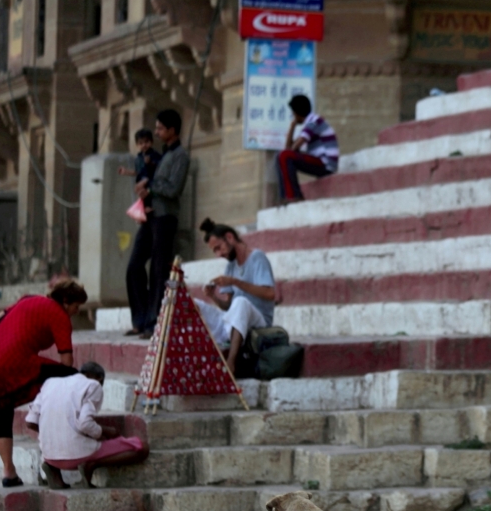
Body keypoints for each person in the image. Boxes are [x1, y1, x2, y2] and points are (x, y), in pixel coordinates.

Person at [0, 279, 87, 486]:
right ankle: (54, 454)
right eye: (76, 306)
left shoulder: (29, 299)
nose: (77, 311)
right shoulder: (60, 316)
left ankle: (9, 472)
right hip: (15, 361)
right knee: (70, 379)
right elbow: (67, 362)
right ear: (65, 300)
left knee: (4, 407)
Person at [26, 361, 148, 489]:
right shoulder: (93, 385)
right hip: (78, 456)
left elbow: (30, 422)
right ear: (100, 378)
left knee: (67, 445)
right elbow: (84, 424)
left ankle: (54, 470)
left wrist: (54, 435)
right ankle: (92, 464)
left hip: (49, 455)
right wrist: (106, 431)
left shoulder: (50, 383)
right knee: (142, 448)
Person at [125, 109, 189, 339]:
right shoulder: (159, 156)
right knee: (134, 267)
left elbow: (174, 189)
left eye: (161, 128)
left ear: (172, 130)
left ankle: (154, 323)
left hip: (165, 218)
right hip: (150, 217)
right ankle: (140, 320)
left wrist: (150, 187)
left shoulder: (180, 156)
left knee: (159, 270)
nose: (157, 132)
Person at [194, 218, 276, 375]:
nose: (219, 254)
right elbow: (229, 307)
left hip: (260, 325)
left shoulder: (257, 257)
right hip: (237, 324)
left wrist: (235, 282)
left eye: (219, 248)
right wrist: (214, 297)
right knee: (195, 304)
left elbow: (269, 294)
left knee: (241, 302)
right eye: (215, 251)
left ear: (230, 238)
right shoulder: (230, 266)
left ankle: (231, 362)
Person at [276, 94, 339, 202]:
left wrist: (290, 151)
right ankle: (288, 195)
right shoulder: (310, 123)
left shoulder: (314, 121)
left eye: (293, 113)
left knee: (284, 156)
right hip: (321, 163)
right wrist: (292, 126)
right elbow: (288, 148)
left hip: (326, 164)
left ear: (296, 112)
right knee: (282, 156)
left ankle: (294, 195)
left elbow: (292, 149)